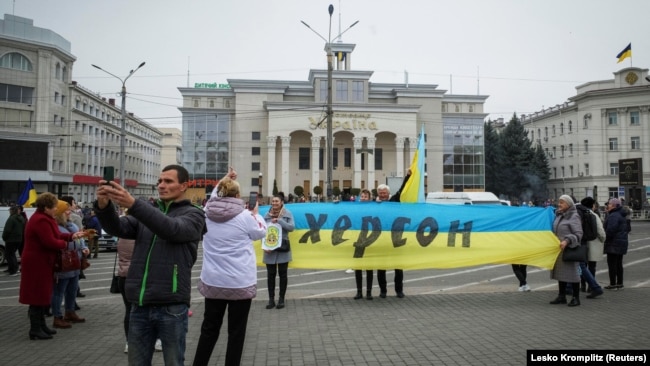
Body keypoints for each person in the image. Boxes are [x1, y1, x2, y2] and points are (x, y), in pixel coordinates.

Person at [94, 164, 206, 365]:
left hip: (171, 305)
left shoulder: (194, 214)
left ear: (184, 186)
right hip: (140, 305)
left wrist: (134, 205)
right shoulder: (148, 212)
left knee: (173, 362)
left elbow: (171, 229)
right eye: (160, 181)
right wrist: (103, 205)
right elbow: (117, 227)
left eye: (168, 181)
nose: (161, 185)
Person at [192, 175, 267, 366]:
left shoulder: (206, 212)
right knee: (236, 332)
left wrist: (223, 180)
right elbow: (261, 232)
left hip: (213, 280)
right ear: (238, 194)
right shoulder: (245, 216)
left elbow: (214, 197)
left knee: (209, 329)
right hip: (239, 281)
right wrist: (256, 213)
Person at [19, 193, 86, 340]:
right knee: (37, 294)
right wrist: (66, 244)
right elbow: (49, 242)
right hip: (37, 262)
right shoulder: (40, 221)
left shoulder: (45, 218)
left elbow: (56, 235)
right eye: (54, 207)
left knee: (42, 294)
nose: (56, 209)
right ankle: (35, 329)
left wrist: (71, 236)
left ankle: (41, 326)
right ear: (46, 207)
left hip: (42, 261)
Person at [51, 200, 89, 329]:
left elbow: (80, 238)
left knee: (72, 289)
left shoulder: (71, 225)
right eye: (66, 211)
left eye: (69, 210)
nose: (69, 212)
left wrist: (84, 247)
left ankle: (70, 311)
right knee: (59, 291)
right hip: (62, 262)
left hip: (75, 261)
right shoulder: (55, 226)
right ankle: (57, 316)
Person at [376, 170, 411, 299]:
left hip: (396, 238)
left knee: (398, 267)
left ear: (388, 193)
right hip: (381, 239)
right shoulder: (374, 205)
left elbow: (402, 190)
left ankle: (399, 290)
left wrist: (408, 176)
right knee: (381, 267)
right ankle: (383, 291)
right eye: (380, 193)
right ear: (378, 194)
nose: (383, 195)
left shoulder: (395, 200)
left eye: (384, 193)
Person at [549, 195, 583, 307]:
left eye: (562, 202)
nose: (559, 204)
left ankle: (576, 298)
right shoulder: (559, 216)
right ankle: (561, 296)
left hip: (570, 250)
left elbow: (578, 234)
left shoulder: (574, 216)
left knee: (573, 275)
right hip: (559, 250)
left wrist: (567, 241)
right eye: (559, 202)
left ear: (568, 204)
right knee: (561, 274)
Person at [263, 194, 295, 310]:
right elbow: (262, 230)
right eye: (273, 201)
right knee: (270, 275)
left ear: (282, 202)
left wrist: (280, 221)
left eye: (276, 201)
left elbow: (291, 228)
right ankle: (271, 299)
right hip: (270, 248)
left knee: (283, 274)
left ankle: (281, 299)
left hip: (283, 247)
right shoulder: (266, 215)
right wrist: (264, 245)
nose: (274, 203)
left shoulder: (287, 214)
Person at [578, 197, 605, 299]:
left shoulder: (580, 213)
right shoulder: (593, 215)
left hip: (583, 244)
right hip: (593, 244)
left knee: (582, 266)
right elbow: (600, 230)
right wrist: (603, 239)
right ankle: (591, 286)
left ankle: (583, 285)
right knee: (591, 266)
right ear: (592, 205)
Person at [603, 198, 629, 290]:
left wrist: (605, 239)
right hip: (621, 242)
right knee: (618, 263)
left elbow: (610, 230)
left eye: (609, 204)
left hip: (613, 243)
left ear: (614, 205)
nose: (607, 206)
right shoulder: (621, 214)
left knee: (612, 264)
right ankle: (620, 282)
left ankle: (613, 283)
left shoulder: (613, 216)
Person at [354, 189, 375, 300]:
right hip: (359, 239)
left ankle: (368, 292)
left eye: (365, 196)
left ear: (369, 198)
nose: (363, 198)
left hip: (369, 239)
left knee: (369, 268)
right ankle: (359, 291)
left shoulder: (373, 208)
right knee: (358, 267)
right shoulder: (355, 208)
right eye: (362, 196)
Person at [2, 206, 25, 276]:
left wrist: (4, 237)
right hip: (18, 239)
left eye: (10, 210)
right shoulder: (21, 218)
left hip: (11, 239)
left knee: (9, 254)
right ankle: (13, 268)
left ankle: (13, 270)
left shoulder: (11, 219)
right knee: (12, 254)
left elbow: (7, 230)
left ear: (12, 211)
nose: (9, 211)